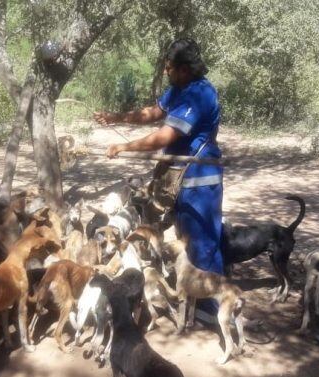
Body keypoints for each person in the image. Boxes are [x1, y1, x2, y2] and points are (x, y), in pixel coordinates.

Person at [94, 38, 224, 324]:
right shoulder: (179, 89)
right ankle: (192, 295)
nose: (166, 72)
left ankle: (214, 308)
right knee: (184, 240)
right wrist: (115, 117)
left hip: (199, 181)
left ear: (186, 69)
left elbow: (165, 136)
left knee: (203, 242)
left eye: (170, 68)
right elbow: (153, 113)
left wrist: (124, 147)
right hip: (178, 177)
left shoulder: (200, 94)